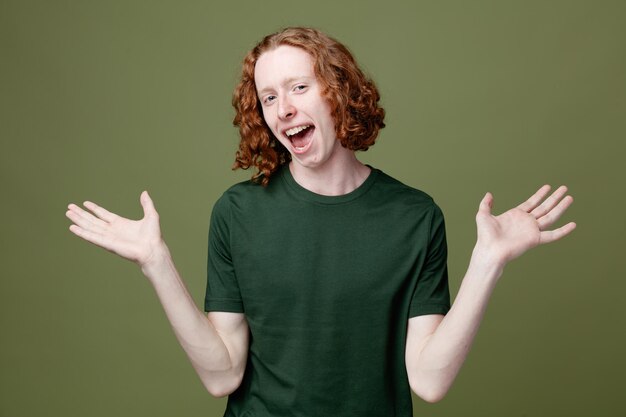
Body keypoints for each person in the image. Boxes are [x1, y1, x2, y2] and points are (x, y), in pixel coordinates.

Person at [66, 27, 576, 416]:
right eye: (269, 97)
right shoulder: (237, 213)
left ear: (338, 91)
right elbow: (222, 375)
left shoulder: (415, 217)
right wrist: (156, 263)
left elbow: (429, 381)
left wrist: (487, 263)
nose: (283, 109)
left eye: (298, 87)